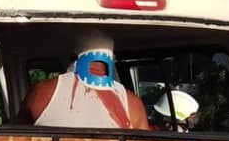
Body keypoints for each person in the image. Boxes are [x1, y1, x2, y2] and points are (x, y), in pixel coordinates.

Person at [19, 30, 150, 129]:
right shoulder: (134, 105)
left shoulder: (42, 92)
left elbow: (13, 139)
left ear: (72, 55)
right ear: (111, 59)